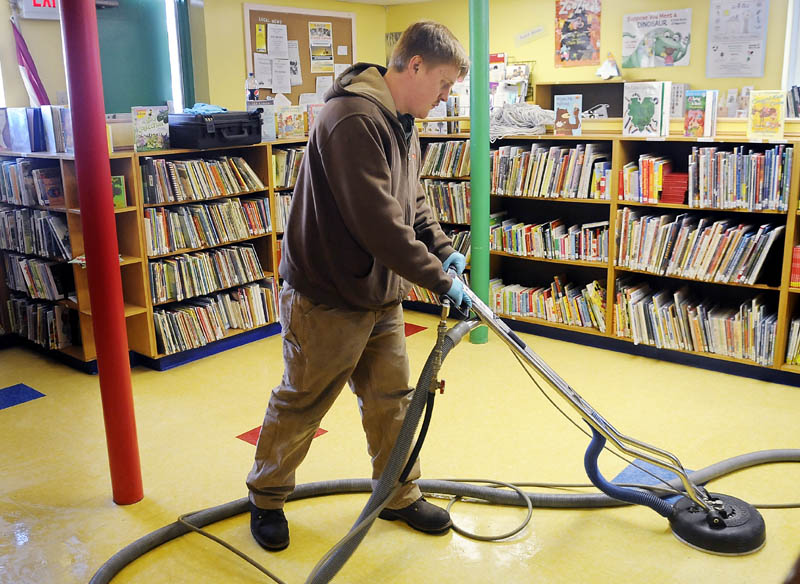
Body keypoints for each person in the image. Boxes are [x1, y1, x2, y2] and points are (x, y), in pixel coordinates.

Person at [246, 21, 472, 551]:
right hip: (326, 296)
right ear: (413, 65)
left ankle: (397, 493)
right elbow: (379, 225)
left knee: (393, 399)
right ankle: (266, 495)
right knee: (303, 400)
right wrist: (440, 282)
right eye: (442, 85)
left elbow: (412, 203)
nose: (444, 98)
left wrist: (442, 248)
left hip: (379, 296)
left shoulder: (401, 121)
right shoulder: (349, 118)